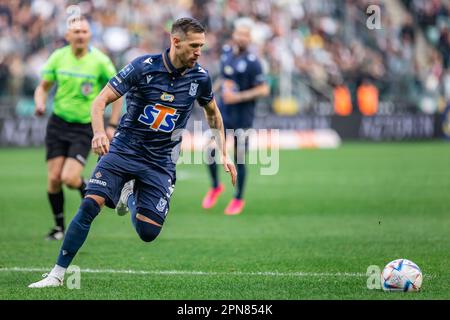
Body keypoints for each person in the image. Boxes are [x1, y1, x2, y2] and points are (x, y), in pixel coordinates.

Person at [28, 17, 236, 288]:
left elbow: (213, 114)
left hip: (160, 161)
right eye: (194, 45)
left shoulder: (201, 78)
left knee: (148, 232)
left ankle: (130, 192)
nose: (199, 52)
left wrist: (224, 152)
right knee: (91, 203)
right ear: (175, 41)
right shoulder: (143, 67)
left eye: (202, 46)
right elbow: (100, 100)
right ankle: (56, 275)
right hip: (124, 149)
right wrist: (100, 132)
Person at [34, 16, 123, 240]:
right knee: (54, 178)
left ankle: (92, 190)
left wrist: (111, 124)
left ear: (90, 35)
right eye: (76, 32)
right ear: (68, 36)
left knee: (70, 178)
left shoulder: (100, 61)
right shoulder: (58, 57)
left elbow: (118, 94)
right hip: (58, 123)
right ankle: (59, 228)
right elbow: (43, 87)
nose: (81, 35)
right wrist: (40, 102)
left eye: (84, 31)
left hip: (84, 126)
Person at [202, 17, 269, 215]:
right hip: (224, 113)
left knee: (239, 157)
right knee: (210, 150)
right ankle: (216, 186)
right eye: (239, 33)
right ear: (234, 34)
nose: (241, 37)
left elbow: (263, 89)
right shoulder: (226, 54)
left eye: (245, 35)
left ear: (250, 38)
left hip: (243, 117)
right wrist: (208, 95)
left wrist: (238, 96)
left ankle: (238, 198)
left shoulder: (254, 62)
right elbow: (225, 79)